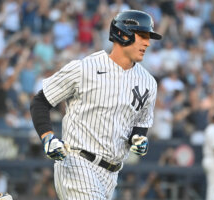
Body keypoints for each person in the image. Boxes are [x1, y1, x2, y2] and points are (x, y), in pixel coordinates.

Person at [30, 10, 161, 200]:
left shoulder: (148, 82)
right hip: (77, 163)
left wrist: (139, 138)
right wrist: (47, 138)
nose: (147, 43)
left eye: (148, 37)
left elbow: (140, 124)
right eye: (142, 36)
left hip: (112, 173)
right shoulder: (84, 68)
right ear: (122, 34)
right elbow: (40, 101)